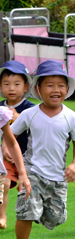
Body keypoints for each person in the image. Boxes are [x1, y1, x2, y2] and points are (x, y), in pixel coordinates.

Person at [12, 60, 75, 239]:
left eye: (61, 85)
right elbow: (11, 134)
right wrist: (6, 149)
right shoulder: (30, 114)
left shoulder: (71, 116)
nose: (56, 90)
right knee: (26, 211)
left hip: (58, 177)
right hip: (32, 171)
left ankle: (38, 208)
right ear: (38, 88)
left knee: (56, 217)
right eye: (50, 85)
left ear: (67, 89)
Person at [0, 61, 34, 229]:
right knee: (4, 184)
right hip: (6, 156)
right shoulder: (0, 107)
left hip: (28, 157)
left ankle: (31, 216)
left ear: (26, 87)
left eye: (16, 84)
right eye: (6, 84)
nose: (11, 88)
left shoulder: (29, 108)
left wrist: (16, 116)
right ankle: (2, 216)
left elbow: (34, 123)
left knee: (28, 190)